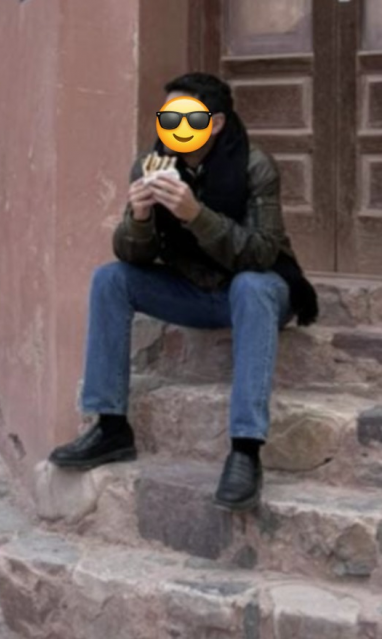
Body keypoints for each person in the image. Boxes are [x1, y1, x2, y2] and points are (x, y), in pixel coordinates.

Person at [47, 72, 318, 511]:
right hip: (195, 292)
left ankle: (246, 450)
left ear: (214, 123)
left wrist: (196, 214)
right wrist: (138, 216)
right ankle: (111, 426)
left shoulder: (255, 166)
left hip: (261, 291)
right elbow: (132, 256)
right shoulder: (151, 165)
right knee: (109, 278)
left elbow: (263, 254)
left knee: (251, 286)